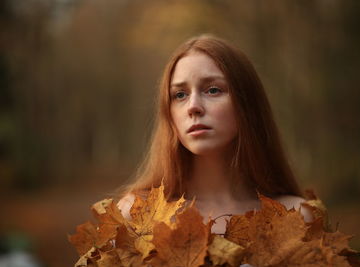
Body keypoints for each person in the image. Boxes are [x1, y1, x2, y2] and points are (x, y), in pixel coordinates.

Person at [117, 34, 313, 234]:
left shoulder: (295, 216)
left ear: (248, 104)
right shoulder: (137, 215)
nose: (193, 107)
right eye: (180, 95)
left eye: (212, 90)